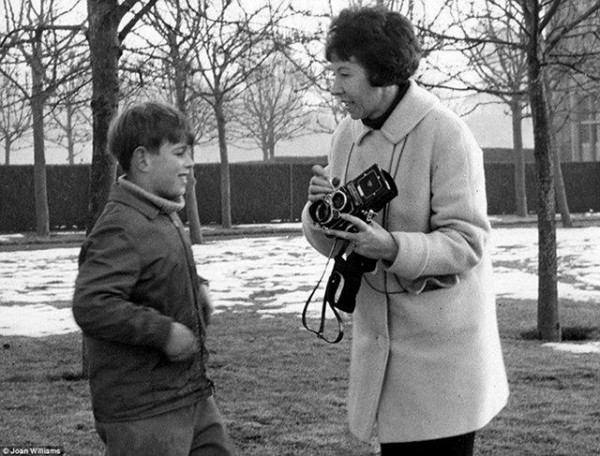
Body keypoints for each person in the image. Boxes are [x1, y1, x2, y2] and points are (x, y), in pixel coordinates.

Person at [302, 6, 509, 456]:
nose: (334, 88)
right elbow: (338, 238)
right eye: (332, 73)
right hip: (381, 352)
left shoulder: (447, 135)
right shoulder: (344, 135)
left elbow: (467, 241)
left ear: (379, 71)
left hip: (443, 362)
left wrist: (392, 247)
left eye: (344, 74)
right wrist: (321, 213)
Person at [73, 101, 236, 456]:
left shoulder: (161, 214)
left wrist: (198, 285)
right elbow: (92, 304)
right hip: (144, 411)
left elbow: (158, 267)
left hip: (189, 395)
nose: (190, 163)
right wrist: (163, 333)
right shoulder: (121, 225)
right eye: (180, 153)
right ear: (143, 160)